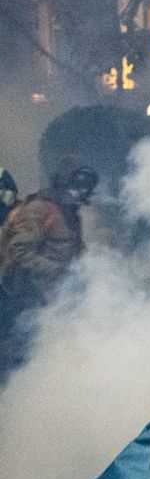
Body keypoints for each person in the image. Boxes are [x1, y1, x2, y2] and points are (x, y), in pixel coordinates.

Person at [0, 161, 98, 378]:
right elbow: (19, 251)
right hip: (24, 298)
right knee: (19, 357)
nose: (81, 191)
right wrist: (56, 270)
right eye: (78, 184)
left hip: (53, 298)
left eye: (86, 187)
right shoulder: (39, 210)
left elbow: (75, 251)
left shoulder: (70, 214)